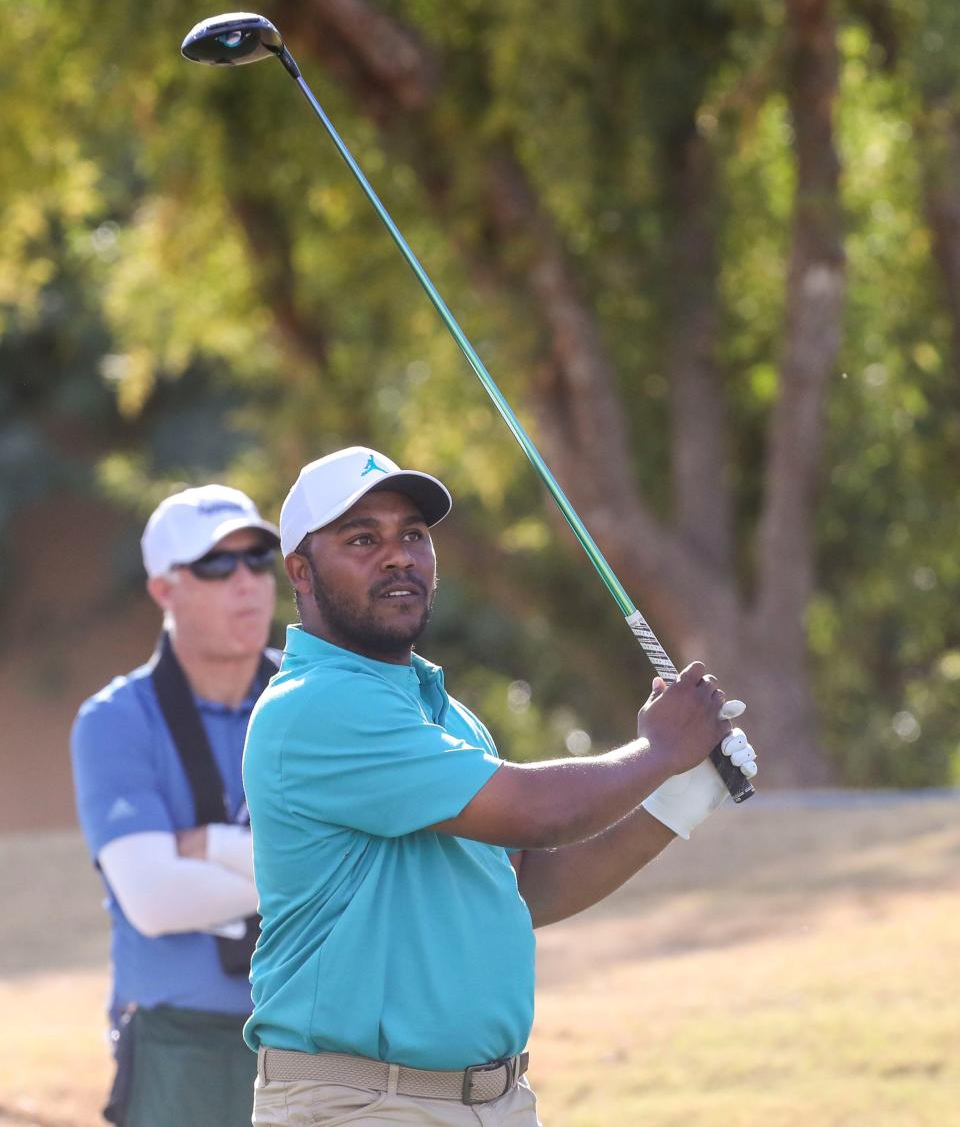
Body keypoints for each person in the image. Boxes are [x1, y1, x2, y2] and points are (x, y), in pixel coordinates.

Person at [243, 446, 758, 1127]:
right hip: (360, 1103)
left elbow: (523, 888)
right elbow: (541, 812)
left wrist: (674, 802)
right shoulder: (315, 705)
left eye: (413, 536)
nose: (398, 556)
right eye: (363, 538)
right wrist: (659, 749)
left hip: (495, 1103)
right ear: (301, 572)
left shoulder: (446, 715)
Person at [71, 484, 282, 1127]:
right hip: (179, 1050)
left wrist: (214, 848)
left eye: (258, 560)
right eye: (217, 565)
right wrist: (315, 878)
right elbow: (157, 901)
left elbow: (370, 866)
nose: (246, 581)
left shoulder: (314, 698)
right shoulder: (116, 720)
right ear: (164, 590)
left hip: (318, 1039)